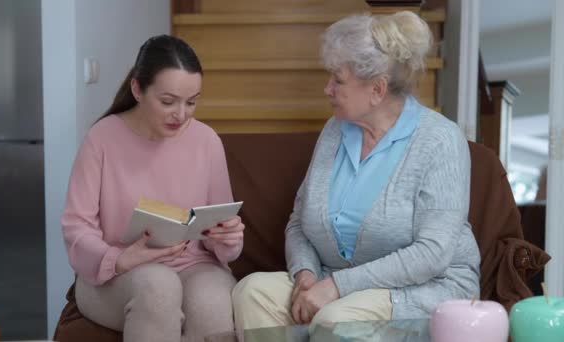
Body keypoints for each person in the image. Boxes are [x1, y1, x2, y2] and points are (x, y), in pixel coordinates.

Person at [232, 11, 480, 335]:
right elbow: (298, 221)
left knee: (337, 320)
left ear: (377, 90)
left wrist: (336, 286)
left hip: (421, 289)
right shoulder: (335, 131)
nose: (327, 89)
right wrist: (305, 273)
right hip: (331, 281)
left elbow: (432, 254)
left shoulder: (440, 140)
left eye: (338, 80)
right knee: (252, 293)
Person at [61, 35, 245, 342]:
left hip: (195, 265)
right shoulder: (102, 138)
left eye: (192, 102)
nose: (181, 114)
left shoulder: (207, 141)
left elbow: (219, 237)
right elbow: (76, 226)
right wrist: (117, 260)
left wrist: (229, 237)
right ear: (137, 89)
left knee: (213, 301)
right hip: (116, 274)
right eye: (168, 102)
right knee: (158, 287)